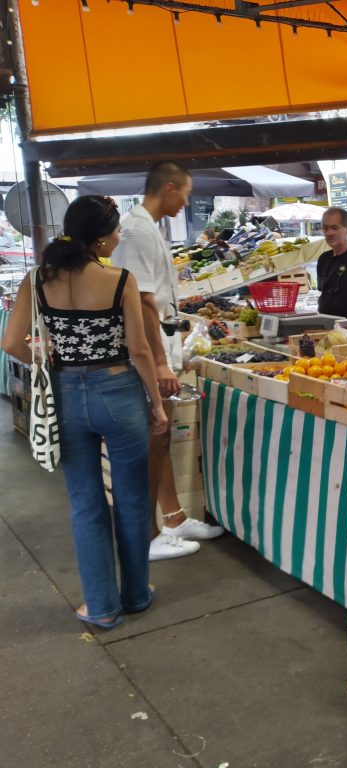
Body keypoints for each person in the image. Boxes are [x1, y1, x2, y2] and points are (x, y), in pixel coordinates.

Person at [2, 196, 168, 629]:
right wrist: (156, 402)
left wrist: (53, 355)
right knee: (131, 500)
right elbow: (140, 350)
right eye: (114, 232)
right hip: (119, 391)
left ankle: (100, 606)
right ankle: (136, 595)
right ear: (100, 238)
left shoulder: (37, 279)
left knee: (85, 503)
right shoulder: (120, 280)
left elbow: (11, 344)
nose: (117, 238)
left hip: (66, 394)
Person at [112, 162, 223, 561]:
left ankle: (174, 516)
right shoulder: (138, 231)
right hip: (146, 354)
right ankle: (149, 533)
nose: (187, 201)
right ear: (170, 188)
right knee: (153, 435)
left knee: (163, 434)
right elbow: (142, 301)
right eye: (186, 194)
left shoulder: (148, 228)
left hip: (160, 347)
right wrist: (159, 363)